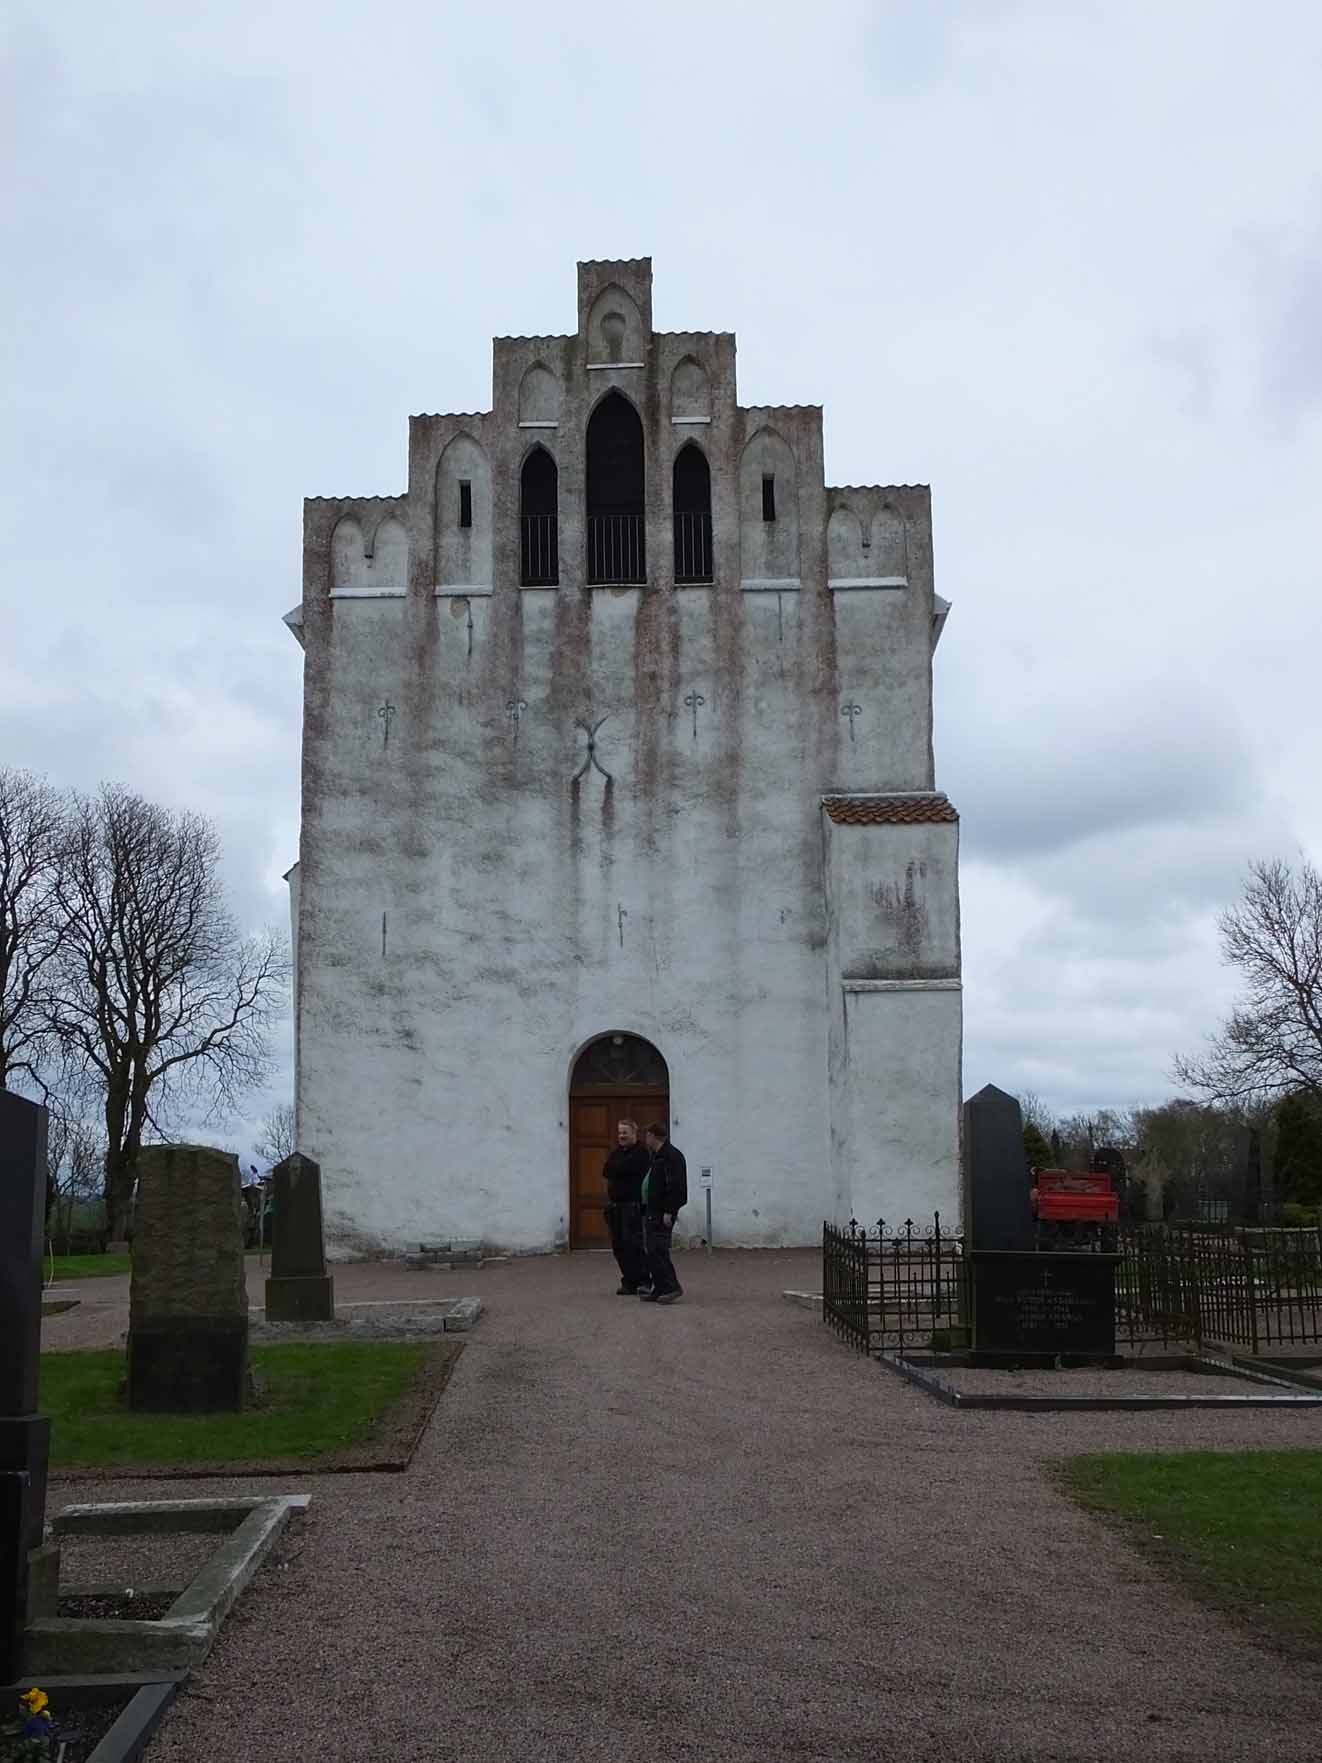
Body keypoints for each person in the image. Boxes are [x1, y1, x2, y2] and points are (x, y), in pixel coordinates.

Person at [640, 1123, 687, 1304]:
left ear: (652, 1136)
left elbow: (677, 1187)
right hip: (652, 1210)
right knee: (651, 1250)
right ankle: (659, 1287)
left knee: (659, 1250)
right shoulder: (658, 1156)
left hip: (662, 1212)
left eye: (647, 1136)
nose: (646, 1140)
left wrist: (670, 1210)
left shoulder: (671, 1156)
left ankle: (671, 1287)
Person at [602, 1118, 650, 1295]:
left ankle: (644, 1281)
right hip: (616, 1207)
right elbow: (606, 1171)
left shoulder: (642, 1153)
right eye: (620, 1132)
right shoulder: (616, 1152)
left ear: (634, 1134)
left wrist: (619, 1169)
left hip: (633, 1207)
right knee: (619, 1247)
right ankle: (629, 1281)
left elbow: (627, 1170)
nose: (621, 1136)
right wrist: (620, 1169)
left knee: (635, 1246)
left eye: (625, 1132)